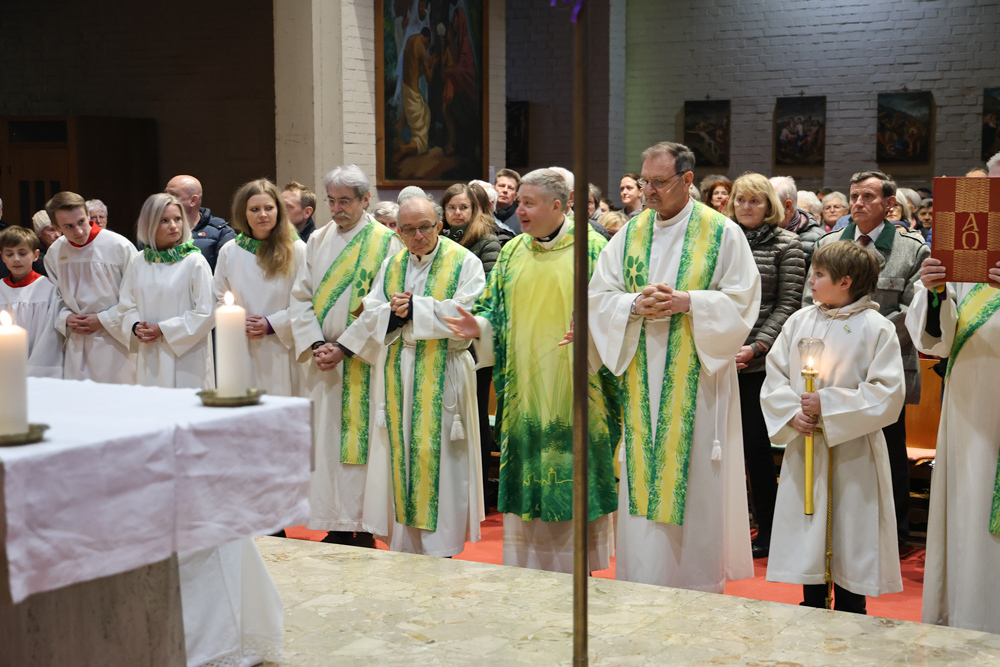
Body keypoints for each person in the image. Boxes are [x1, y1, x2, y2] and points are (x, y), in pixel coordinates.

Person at [588, 142, 760, 592]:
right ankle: (641, 580)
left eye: (659, 182)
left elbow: (744, 301)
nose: (648, 190)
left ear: (687, 181)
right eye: (644, 180)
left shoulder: (721, 233)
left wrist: (690, 302)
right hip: (641, 376)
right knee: (643, 481)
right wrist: (632, 304)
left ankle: (696, 585)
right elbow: (599, 295)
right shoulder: (631, 231)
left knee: (696, 480)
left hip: (697, 381)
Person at [444, 168, 620, 574]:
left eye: (528, 203)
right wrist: (479, 326)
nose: (519, 210)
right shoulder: (512, 252)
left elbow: (616, 311)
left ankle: (577, 568)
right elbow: (493, 308)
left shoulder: (594, 250)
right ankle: (531, 570)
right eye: (519, 202)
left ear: (558, 206)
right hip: (524, 393)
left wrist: (593, 330)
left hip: (575, 392)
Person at [337, 193, 485, 557]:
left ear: (439, 226)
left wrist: (416, 309)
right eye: (407, 230)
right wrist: (393, 314)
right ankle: (404, 545)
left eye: (424, 227)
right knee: (399, 456)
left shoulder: (464, 261)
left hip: (444, 372)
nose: (416, 236)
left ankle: (441, 547)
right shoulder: (393, 264)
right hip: (398, 372)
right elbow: (371, 311)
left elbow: (470, 314)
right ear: (398, 232)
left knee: (442, 461)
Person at [763, 240, 905, 614]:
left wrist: (828, 405)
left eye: (819, 274)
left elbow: (888, 392)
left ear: (846, 281)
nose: (811, 280)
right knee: (808, 534)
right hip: (805, 443)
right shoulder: (799, 321)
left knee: (851, 535)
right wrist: (791, 413)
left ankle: (851, 612)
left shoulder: (876, 328)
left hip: (854, 452)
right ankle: (810, 606)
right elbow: (775, 376)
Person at [804, 170, 929, 548]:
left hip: (886, 364)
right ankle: (835, 527)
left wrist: (865, 342)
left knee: (889, 448)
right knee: (835, 449)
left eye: (868, 197)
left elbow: (912, 311)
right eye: (854, 196)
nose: (858, 203)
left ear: (890, 204)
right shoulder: (829, 243)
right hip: (831, 366)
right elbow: (811, 300)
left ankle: (895, 532)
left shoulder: (911, 248)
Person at [290, 164, 403, 548]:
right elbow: (300, 296)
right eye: (332, 201)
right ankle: (334, 522)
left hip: (362, 361)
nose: (337, 209)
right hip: (324, 361)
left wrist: (345, 347)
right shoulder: (317, 240)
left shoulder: (386, 242)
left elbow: (383, 304)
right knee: (327, 442)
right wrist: (315, 343)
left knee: (363, 443)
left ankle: (363, 525)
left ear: (365, 199)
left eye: (345, 201)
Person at [906, 250, 1000, 632]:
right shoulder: (966, 250)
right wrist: (936, 291)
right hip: (970, 400)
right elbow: (936, 342)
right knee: (969, 504)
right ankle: (969, 615)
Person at [725, 173, 806, 558]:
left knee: (756, 449)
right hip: (719, 355)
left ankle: (769, 530)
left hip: (759, 363)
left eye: (754, 200)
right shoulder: (724, 240)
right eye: (740, 200)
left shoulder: (787, 244)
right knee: (719, 447)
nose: (746, 207)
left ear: (769, 205)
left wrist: (756, 347)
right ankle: (728, 525)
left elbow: (788, 304)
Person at [214, 179, 307, 397]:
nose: (263, 215)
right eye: (255, 209)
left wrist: (271, 324)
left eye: (269, 208)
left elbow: (307, 300)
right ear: (243, 213)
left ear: (279, 211)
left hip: (282, 347)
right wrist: (237, 320)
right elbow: (218, 295)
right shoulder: (230, 251)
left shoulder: (296, 249)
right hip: (241, 344)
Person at [118, 192, 215, 389]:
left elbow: (207, 312)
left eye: (177, 219)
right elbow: (126, 306)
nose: (173, 226)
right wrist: (136, 326)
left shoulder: (194, 261)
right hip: (150, 352)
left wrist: (164, 329)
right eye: (164, 220)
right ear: (149, 224)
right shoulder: (138, 261)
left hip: (187, 357)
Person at [44, 190, 138, 384]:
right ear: (56, 227)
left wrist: (104, 319)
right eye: (69, 226)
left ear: (88, 214)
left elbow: (136, 294)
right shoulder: (55, 253)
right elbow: (54, 298)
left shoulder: (119, 246)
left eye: (81, 221)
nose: (79, 231)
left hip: (116, 343)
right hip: (77, 342)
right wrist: (66, 317)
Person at [0, 225, 63, 377]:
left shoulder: (48, 289)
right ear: (2, 257)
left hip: (38, 369)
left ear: (35, 255)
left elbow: (49, 337)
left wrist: (32, 370)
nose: (16, 259)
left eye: (22, 253)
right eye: (9, 254)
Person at [165, 174, 238, 271]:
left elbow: (230, 274)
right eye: (166, 194)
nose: (166, 200)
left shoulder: (222, 234)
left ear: (193, 200)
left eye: (173, 195)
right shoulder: (157, 229)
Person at [771, 176, 823, 266]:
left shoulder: (818, 241)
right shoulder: (759, 231)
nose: (763, 209)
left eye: (770, 205)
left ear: (787, 206)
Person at [494, 168, 521, 234]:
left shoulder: (522, 220)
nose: (505, 190)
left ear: (515, 196)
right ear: (493, 189)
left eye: (510, 188)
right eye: (501, 186)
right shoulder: (483, 215)